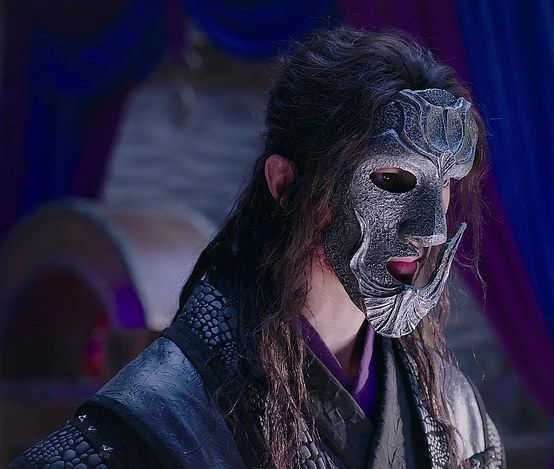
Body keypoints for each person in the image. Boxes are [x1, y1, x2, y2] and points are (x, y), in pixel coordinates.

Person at [11, 27, 503, 468]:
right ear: (285, 183)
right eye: (391, 179)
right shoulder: (164, 417)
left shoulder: (456, 418)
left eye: (444, 185)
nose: (431, 229)